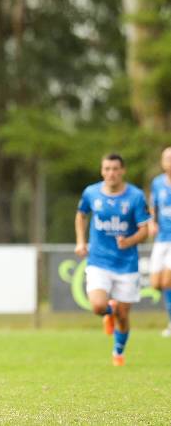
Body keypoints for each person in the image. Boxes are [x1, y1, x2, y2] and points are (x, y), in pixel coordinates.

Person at [75, 153, 150, 366]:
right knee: (98, 306)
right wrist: (81, 241)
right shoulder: (91, 192)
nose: (111, 173)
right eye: (107, 169)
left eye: (115, 169)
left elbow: (145, 230)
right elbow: (81, 215)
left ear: (122, 171)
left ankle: (118, 352)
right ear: (102, 171)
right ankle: (108, 313)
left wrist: (129, 241)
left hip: (126, 264)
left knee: (124, 316)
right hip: (99, 261)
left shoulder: (135, 196)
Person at [147, 147, 171, 337]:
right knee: (156, 283)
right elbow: (153, 206)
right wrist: (152, 223)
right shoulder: (157, 183)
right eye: (166, 158)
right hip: (161, 238)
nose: (169, 161)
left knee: (168, 281)